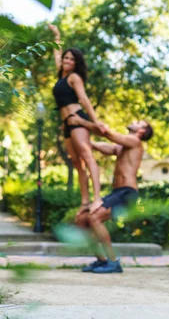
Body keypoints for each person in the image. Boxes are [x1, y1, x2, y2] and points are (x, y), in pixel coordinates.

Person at [67, 114, 154, 274]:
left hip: (127, 193)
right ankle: (101, 260)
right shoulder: (122, 147)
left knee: (94, 217)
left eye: (138, 122)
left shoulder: (135, 142)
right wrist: (83, 140)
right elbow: (105, 147)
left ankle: (113, 262)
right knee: (82, 219)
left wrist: (81, 122)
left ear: (141, 130)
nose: (133, 121)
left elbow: (107, 134)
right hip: (117, 193)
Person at [49, 24, 105, 214]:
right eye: (66, 57)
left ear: (76, 63)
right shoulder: (60, 76)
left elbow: (84, 99)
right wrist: (57, 36)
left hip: (77, 118)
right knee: (76, 164)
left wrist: (95, 121)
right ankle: (84, 202)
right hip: (66, 124)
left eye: (71, 59)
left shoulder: (74, 78)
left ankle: (97, 197)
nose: (67, 60)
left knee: (87, 157)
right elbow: (56, 55)